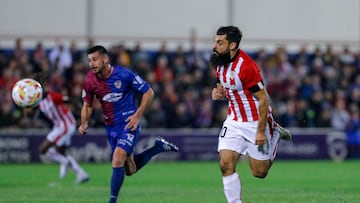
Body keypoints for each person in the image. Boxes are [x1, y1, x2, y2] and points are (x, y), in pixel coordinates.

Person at [78, 45, 179, 203]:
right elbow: (87, 105)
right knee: (129, 169)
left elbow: (148, 92)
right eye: (90, 60)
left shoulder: (123, 74)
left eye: (95, 59)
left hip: (128, 122)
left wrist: (137, 115)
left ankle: (112, 201)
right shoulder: (90, 80)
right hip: (111, 126)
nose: (92, 63)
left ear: (105, 59)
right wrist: (84, 122)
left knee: (117, 158)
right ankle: (158, 147)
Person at [210, 26, 292, 203]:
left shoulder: (246, 67)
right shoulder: (219, 60)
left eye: (219, 42)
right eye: (215, 41)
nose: (214, 45)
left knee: (259, 172)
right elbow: (221, 83)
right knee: (225, 164)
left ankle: (275, 134)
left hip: (256, 121)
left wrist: (261, 131)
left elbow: (264, 99)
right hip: (233, 120)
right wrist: (219, 92)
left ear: (232, 45)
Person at [38, 90, 89, 184]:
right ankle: (82, 174)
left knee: (43, 149)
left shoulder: (53, 96)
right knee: (61, 151)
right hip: (58, 126)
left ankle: (64, 161)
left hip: (66, 124)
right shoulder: (39, 101)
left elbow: (70, 100)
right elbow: (32, 111)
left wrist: (82, 115)